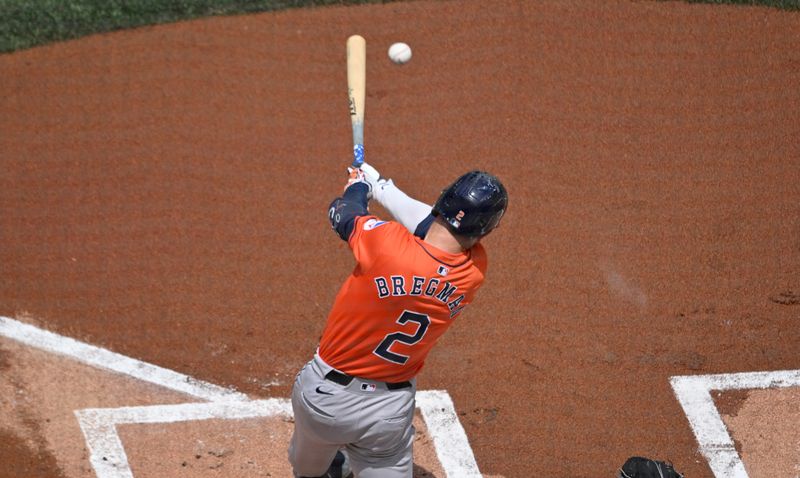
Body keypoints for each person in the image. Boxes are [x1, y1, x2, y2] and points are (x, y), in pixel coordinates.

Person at [287, 162, 508, 478]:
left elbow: (343, 213)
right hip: (388, 414)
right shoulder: (473, 271)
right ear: (485, 229)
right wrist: (383, 188)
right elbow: (433, 229)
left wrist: (360, 186)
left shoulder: (386, 244)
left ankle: (327, 466)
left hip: (325, 402)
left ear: (442, 201)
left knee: (308, 469)